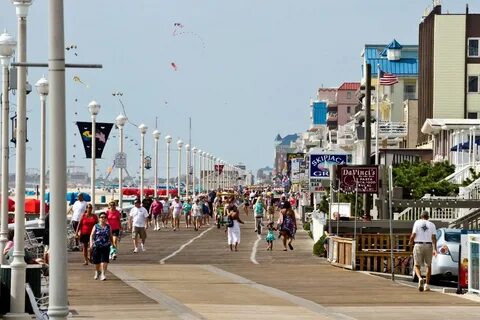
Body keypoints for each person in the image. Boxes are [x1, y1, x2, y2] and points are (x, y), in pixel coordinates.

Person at [409, 211, 437, 292]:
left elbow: (413, 234)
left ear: (421, 216)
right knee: (428, 265)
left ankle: (420, 278)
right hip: (429, 245)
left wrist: (410, 242)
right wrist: (435, 249)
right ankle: (427, 285)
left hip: (418, 244)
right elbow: (434, 237)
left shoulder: (417, 223)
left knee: (417, 265)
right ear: (428, 217)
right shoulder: (432, 224)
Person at [90, 212, 113, 281]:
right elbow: (92, 235)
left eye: (104, 217)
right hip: (97, 245)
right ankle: (97, 271)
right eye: (101, 217)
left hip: (106, 245)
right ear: (99, 218)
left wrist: (113, 244)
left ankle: (103, 274)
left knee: (104, 260)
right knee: (97, 262)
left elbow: (110, 235)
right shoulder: (96, 226)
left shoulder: (108, 226)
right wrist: (91, 243)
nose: (103, 218)